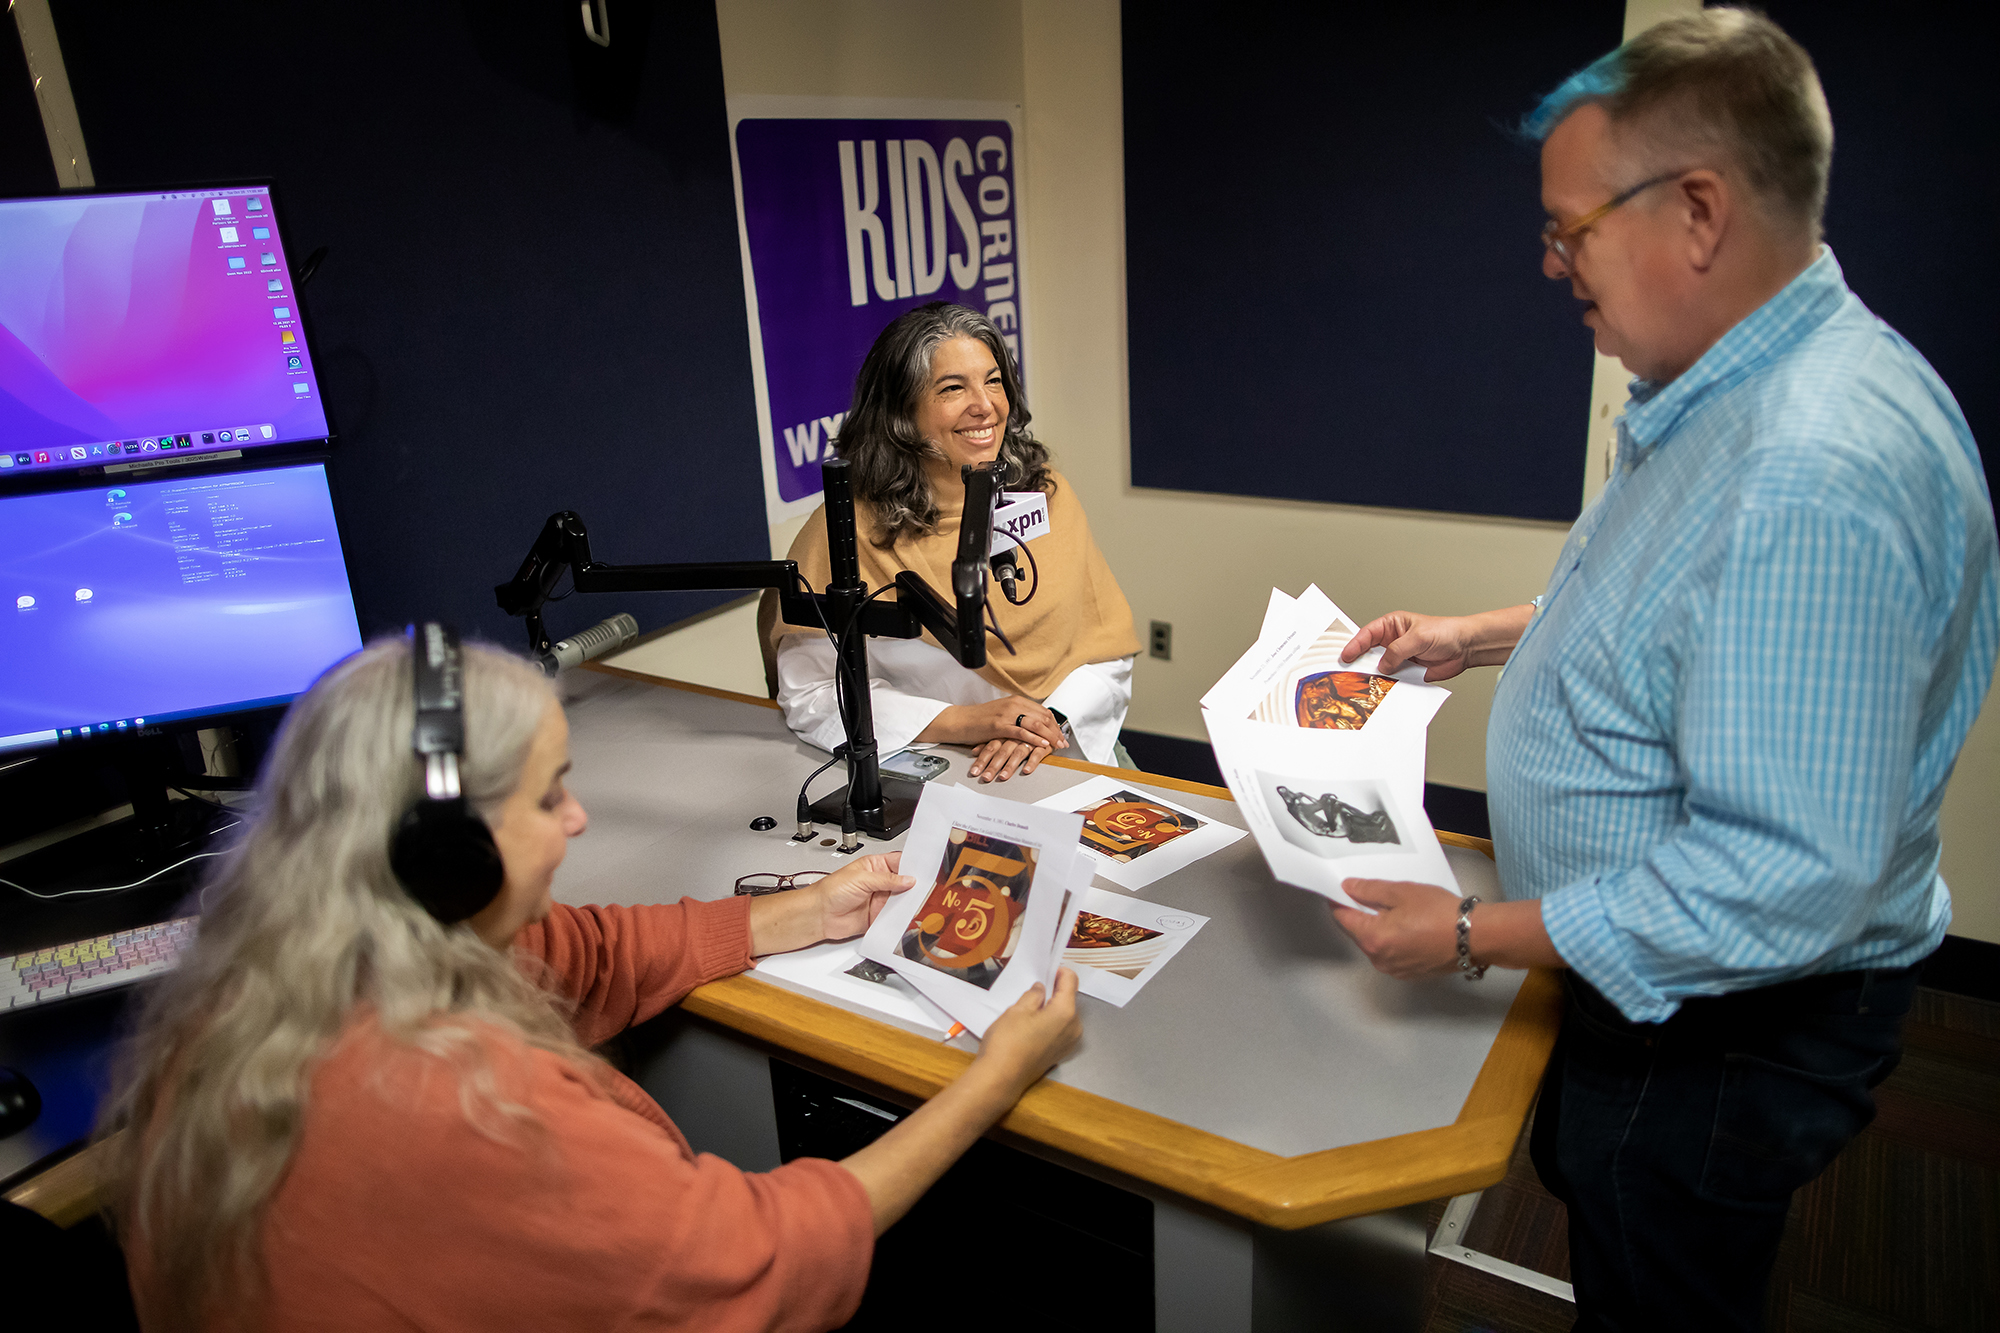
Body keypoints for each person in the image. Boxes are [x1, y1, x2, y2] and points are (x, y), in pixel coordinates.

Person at [1326, 11, 1997, 1329]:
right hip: (1668, 1000)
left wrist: (1469, 936)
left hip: (1719, 1033)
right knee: (1612, 1217)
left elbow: (1779, 879)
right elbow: (1672, 616)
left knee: (1659, 1287)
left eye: (1570, 227)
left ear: (1698, 210)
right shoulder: (1734, 388)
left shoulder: (1809, 465)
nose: (1551, 262)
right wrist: (1477, 634)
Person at [101, 635, 1082, 1331]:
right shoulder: (473, 1114)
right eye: (547, 794)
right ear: (443, 855)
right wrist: (992, 1080)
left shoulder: (287, 967)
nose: (577, 820)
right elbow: (770, 1255)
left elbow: (583, 953)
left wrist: (798, 912)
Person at [762, 302, 1140, 784]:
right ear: (901, 412)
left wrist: (1045, 726)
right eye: (953, 388)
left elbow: (1106, 648)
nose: (985, 405)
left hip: (1072, 747)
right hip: (946, 767)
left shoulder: (1045, 495)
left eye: (994, 380)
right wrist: (966, 723)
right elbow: (811, 690)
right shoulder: (845, 529)